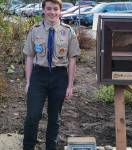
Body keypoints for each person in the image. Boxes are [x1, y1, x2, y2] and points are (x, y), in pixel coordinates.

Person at [22, 0, 80, 149]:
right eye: (49, 8)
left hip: (59, 76)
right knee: (32, 116)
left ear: (60, 11)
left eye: (55, 9)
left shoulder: (68, 32)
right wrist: (28, 82)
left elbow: (72, 60)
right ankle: (28, 147)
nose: (52, 12)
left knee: (54, 118)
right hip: (38, 76)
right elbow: (29, 56)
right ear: (43, 10)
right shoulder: (35, 30)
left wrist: (70, 86)